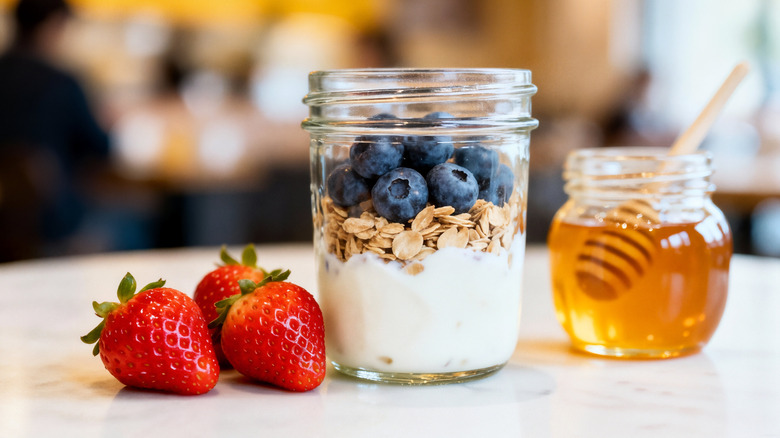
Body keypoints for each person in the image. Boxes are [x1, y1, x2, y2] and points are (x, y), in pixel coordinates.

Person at [0, 0, 110, 261]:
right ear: (52, 27)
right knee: (131, 223)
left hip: (5, 217)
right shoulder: (61, 82)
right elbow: (101, 147)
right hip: (53, 221)